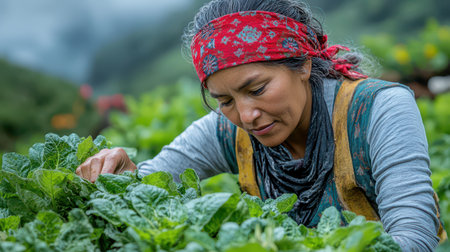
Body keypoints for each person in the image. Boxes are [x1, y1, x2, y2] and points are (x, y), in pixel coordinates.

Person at [76, 0, 444, 250]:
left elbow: (414, 239)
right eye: (225, 101)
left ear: (302, 65)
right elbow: (149, 185)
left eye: (257, 89)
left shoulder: (378, 110)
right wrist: (121, 175)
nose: (246, 115)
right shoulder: (229, 130)